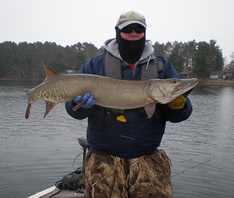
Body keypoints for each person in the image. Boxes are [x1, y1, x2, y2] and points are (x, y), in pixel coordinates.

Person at [65, 11, 193, 198]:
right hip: (103, 162)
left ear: (145, 33)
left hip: (148, 160)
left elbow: (182, 115)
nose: (134, 34)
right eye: (128, 29)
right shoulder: (95, 65)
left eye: (139, 29)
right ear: (118, 32)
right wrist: (82, 106)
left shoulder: (161, 67)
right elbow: (72, 110)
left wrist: (178, 106)